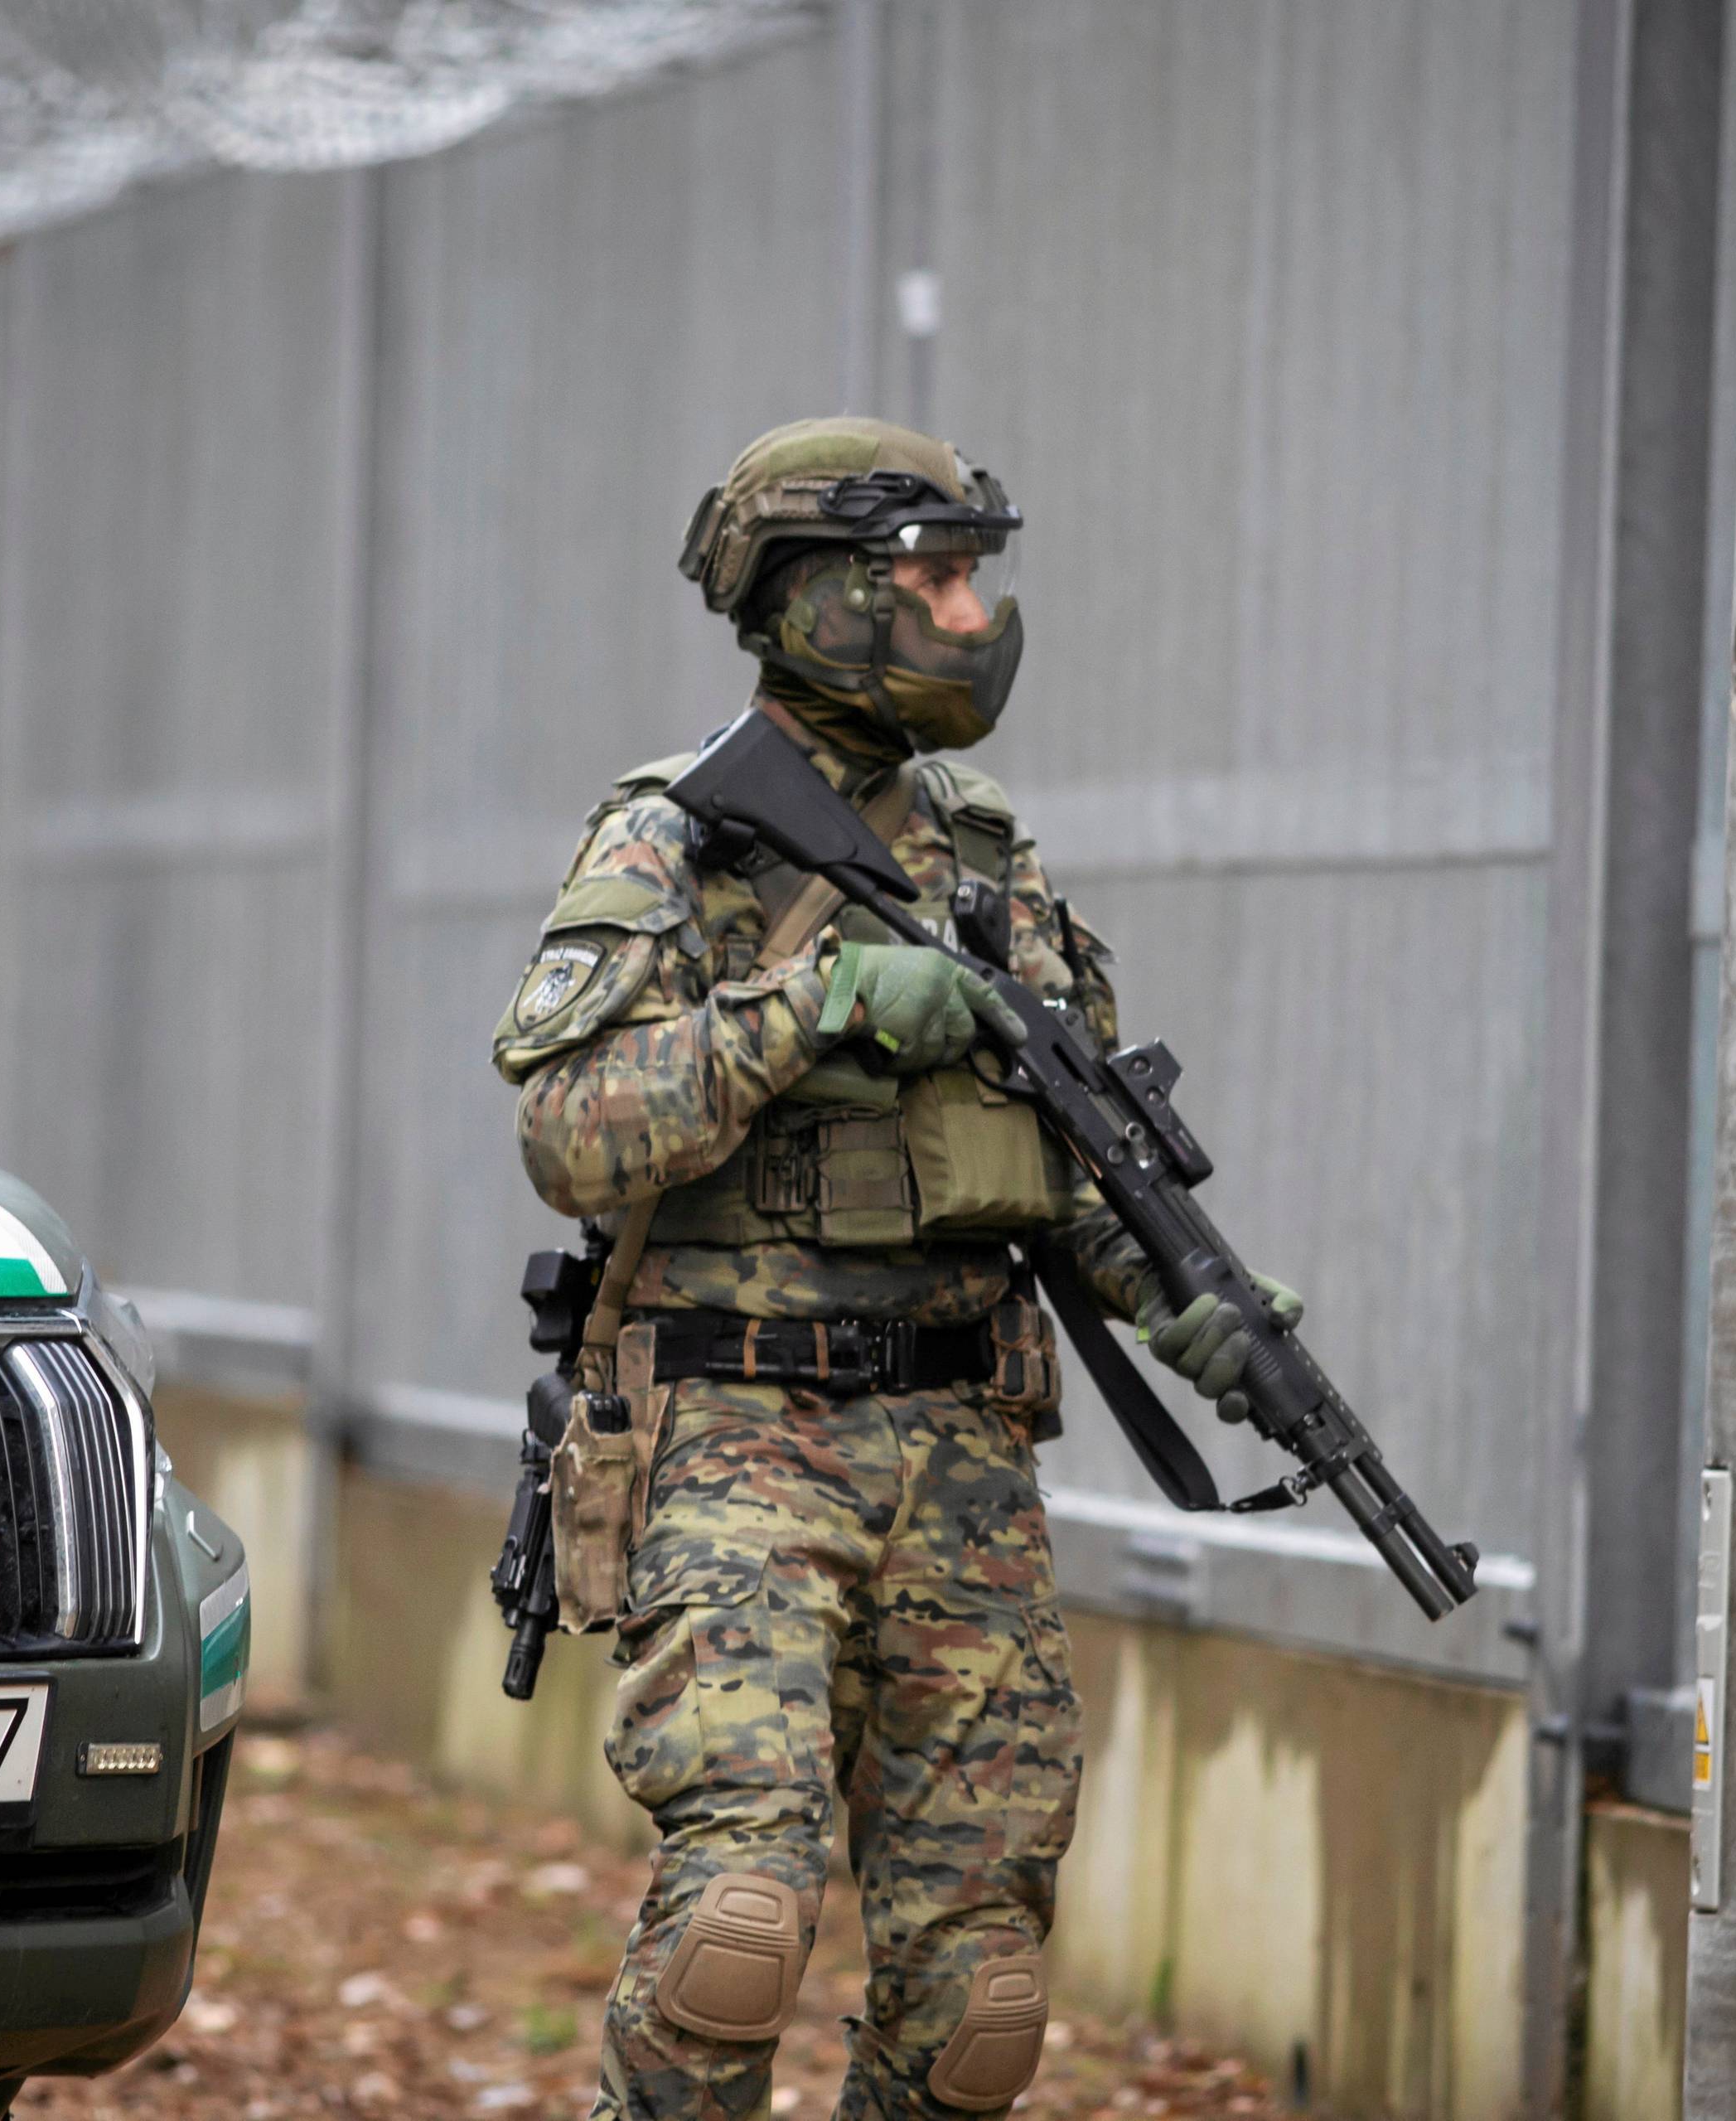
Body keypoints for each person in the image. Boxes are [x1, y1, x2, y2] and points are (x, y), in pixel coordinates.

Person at [493, 417, 1300, 2121]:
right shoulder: (679, 839)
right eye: (929, 574)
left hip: (963, 1453)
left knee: (982, 1990)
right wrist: (815, 1003)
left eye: (971, 576)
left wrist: (1191, 1312)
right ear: (817, 600)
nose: (966, 610)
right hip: (732, 1439)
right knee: (744, 1913)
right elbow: (569, 1129)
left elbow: (1062, 1166)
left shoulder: (986, 852)